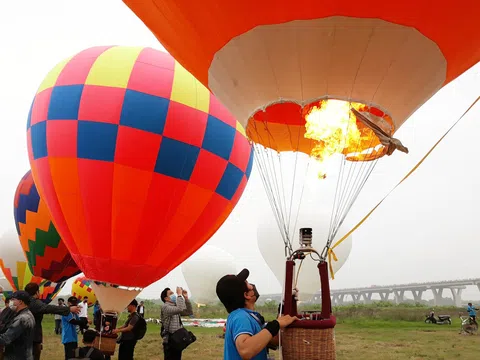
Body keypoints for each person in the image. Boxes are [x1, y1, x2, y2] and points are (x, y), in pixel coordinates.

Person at [216, 269, 298, 360]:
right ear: (247, 295)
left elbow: (273, 340)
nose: (252, 286)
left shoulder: (250, 317)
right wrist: (275, 324)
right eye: (247, 283)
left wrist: (284, 306)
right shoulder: (240, 317)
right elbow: (245, 350)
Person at [25, 282, 79, 360]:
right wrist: (68, 309)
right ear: (37, 292)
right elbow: (48, 308)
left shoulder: (23, 302)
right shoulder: (34, 302)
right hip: (33, 337)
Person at [0, 291, 35, 360]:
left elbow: (6, 339)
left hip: (17, 356)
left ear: (20, 302)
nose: (10, 302)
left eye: (13, 299)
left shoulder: (22, 319)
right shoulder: (28, 314)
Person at [160, 286, 193, 360]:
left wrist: (186, 298)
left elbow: (189, 312)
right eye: (171, 294)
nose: (173, 295)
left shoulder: (175, 307)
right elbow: (180, 308)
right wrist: (179, 295)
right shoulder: (165, 307)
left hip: (177, 339)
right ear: (166, 298)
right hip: (170, 340)